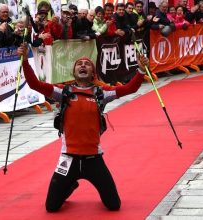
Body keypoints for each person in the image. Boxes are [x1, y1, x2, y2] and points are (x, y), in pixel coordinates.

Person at [17, 43, 149, 212]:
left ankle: (71, 183)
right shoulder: (62, 92)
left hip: (94, 159)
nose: (83, 66)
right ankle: (69, 185)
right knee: (51, 207)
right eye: (79, 64)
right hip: (68, 158)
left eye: (87, 64)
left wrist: (141, 70)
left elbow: (129, 88)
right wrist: (25, 62)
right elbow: (35, 84)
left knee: (114, 205)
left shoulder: (101, 92)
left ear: (93, 73)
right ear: (74, 72)